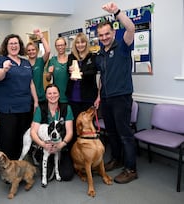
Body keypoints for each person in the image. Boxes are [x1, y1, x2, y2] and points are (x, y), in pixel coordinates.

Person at [95, 2, 137, 184]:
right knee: (111, 133)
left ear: (113, 33)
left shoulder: (123, 46)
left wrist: (117, 12)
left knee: (124, 134)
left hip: (121, 97)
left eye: (107, 34)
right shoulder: (100, 54)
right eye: (101, 35)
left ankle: (131, 169)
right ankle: (117, 159)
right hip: (106, 98)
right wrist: (98, 96)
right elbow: (102, 78)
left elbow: (131, 27)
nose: (104, 37)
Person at [0, 34, 38, 160]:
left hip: (24, 107)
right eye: (11, 43)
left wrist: (36, 102)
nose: (14, 46)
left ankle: (19, 166)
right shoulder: (0, 60)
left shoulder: (26, 62)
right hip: (7, 109)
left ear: (20, 46)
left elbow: (31, 82)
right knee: (7, 139)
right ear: (6, 46)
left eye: (16, 43)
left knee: (22, 138)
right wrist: (4, 70)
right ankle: (6, 169)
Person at [30, 84, 74, 181]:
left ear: (59, 95)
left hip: (61, 147)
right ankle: (38, 155)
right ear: (46, 95)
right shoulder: (40, 109)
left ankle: (58, 163)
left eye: (55, 93)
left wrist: (61, 145)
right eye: (49, 93)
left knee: (67, 175)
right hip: (47, 147)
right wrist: (43, 144)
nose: (52, 95)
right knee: (48, 177)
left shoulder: (66, 108)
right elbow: (33, 132)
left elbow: (70, 132)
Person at [66, 32, 98, 145]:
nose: (80, 45)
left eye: (82, 42)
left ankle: (89, 148)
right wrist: (70, 73)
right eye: (78, 42)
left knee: (88, 125)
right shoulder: (71, 57)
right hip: (73, 97)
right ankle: (75, 149)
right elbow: (67, 72)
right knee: (75, 124)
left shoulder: (92, 56)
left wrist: (81, 73)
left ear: (86, 43)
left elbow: (93, 71)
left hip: (87, 97)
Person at [26, 29, 50, 104]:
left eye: (33, 50)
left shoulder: (40, 61)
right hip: (28, 98)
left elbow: (48, 51)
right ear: (26, 52)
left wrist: (41, 37)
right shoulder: (24, 63)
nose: (31, 52)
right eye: (29, 50)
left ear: (36, 51)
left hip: (41, 97)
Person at [46, 37, 69, 103]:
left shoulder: (71, 59)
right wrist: (49, 73)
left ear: (65, 45)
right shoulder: (52, 60)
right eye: (58, 45)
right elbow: (48, 79)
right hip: (57, 96)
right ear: (55, 47)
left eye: (62, 45)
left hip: (70, 95)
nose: (60, 47)